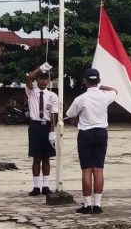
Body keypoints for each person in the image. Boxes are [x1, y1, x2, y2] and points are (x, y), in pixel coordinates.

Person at [64, 68, 116, 215]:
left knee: (86, 169)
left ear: (85, 80)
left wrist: (77, 124)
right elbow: (114, 91)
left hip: (85, 133)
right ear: (98, 80)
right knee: (98, 169)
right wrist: (101, 86)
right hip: (101, 133)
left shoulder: (81, 99)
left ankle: (87, 205)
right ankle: (97, 205)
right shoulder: (105, 96)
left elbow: (70, 116)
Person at [23, 64, 59, 196]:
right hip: (35, 126)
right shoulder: (32, 92)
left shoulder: (52, 95)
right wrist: (40, 68)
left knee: (47, 158)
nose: (43, 81)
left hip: (47, 126)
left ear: (49, 80)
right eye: (41, 78)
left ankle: (46, 186)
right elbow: (28, 77)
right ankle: (36, 186)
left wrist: (52, 131)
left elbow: (53, 114)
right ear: (37, 80)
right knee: (36, 157)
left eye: (46, 78)